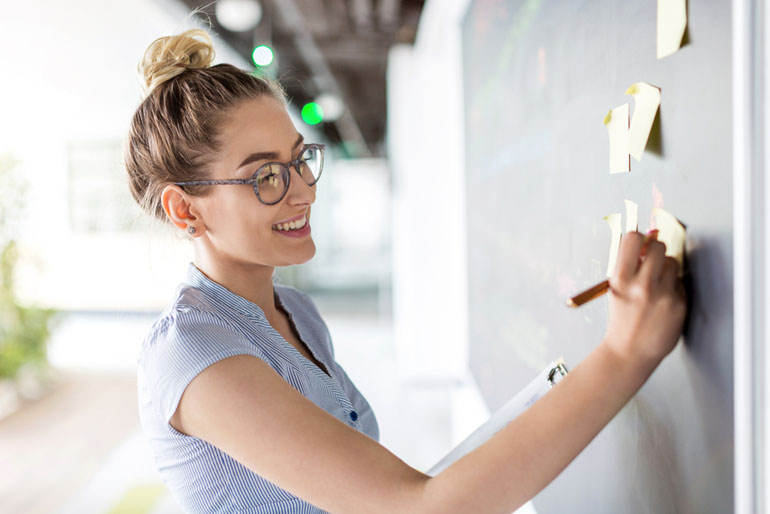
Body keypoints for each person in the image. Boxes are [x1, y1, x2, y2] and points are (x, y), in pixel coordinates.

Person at [127, 29, 687, 514]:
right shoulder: (193, 352)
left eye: (300, 160)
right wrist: (624, 354)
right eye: (265, 177)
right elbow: (413, 508)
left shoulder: (297, 313)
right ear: (185, 209)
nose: (302, 191)